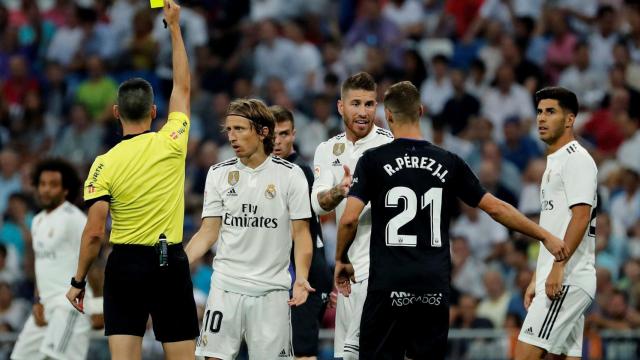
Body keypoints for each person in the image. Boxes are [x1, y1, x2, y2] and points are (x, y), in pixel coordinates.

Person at [335, 81, 568, 359]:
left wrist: (341, 259)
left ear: (389, 116)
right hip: (432, 287)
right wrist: (544, 235)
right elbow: (495, 208)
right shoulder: (449, 161)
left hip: (388, 285)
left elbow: (349, 219)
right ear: (421, 111)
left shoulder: (372, 160)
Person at [65, 1, 199, 359]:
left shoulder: (103, 164)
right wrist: (174, 27)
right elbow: (182, 88)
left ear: (115, 113)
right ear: (155, 112)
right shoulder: (173, 140)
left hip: (125, 266)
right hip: (168, 261)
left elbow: (95, 231)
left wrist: (79, 281)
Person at [184, 98, 314, 360]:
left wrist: (301, 277)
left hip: (271, 292)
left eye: (239, 129)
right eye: (229, 130)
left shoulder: (291, 175)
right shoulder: (218, 174)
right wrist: (179, 264)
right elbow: (208, 231)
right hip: (225, 287)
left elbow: (301, 234)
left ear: (263, 132)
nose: (232, 137)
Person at [310, 71, 393, 359]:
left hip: (380, 265)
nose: (363, 112)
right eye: (355, 103)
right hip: (347, 269)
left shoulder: (390, 146)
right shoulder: (327, 150)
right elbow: (318, 204)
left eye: (369, 104)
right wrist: (339, 191)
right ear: (340, 106)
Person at [516, 87, 598, 360]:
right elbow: (556, 227)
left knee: (524, 355)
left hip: (569, 278)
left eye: (550, 111)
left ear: (569, 119)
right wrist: (538, 277)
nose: (541, 118)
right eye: (539, 111)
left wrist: (558, 268)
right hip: (561, 276)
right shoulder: (555, 162)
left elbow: (581, 217)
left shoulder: (576, 159)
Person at [11, 159, 94, 360]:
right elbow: (42, 266)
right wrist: (37, 300)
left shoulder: (74, 218)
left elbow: (94, 262)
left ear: (66, 190)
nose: (46, 190)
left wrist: (99, 306)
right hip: (44, 307)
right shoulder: (37, 221)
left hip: (69, 306)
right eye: (42, 184)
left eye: (53, 185)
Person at [271, 105, 333, 360]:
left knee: (302, 353)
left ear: (294, 134)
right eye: (272, 135)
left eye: (284, 134)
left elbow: (301, 232)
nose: (277, 141)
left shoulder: (300, 171)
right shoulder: (271, 171)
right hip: (288, 272)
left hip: (306, 274)